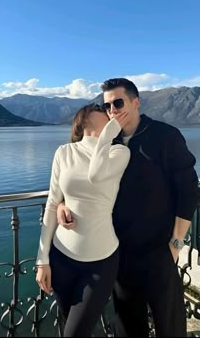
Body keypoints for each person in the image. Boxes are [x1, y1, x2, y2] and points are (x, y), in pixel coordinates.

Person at [57, 78, 200, 337]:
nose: (113, 110)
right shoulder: (107, 144)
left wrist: (176, 243)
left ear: (136, 103)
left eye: (118, 102)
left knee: (169, 323)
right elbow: (81, 182)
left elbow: (189, 191)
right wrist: (63, 204)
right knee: (128, 325)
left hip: (159, 249)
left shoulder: (164, 136)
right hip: (119, 251)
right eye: (108, 106)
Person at [35, 103, 130, 337]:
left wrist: (109, 132)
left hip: (101, 261)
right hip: (61, 259)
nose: (109, 113)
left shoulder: (118, 152)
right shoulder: (64, 152)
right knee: (73, 326)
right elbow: (53, 202)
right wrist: (42, 260)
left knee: (75, 332)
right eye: (103, 111)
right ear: (84, 119)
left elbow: (96, 175)